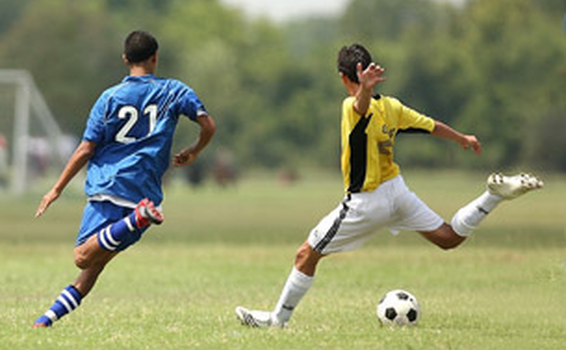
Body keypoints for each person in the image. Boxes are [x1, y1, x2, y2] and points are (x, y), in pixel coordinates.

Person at [235, 43, 543, 328]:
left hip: (366, 202)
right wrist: (462, 137)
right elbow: (429, 125)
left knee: (306, 255)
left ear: (344, 78)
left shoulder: (350, 106)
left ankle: (278, 320)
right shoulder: (392, 107)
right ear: (367, 71)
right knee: (448, 237)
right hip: (397, 191)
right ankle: (491, 196)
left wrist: (363, 91)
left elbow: (359, 107)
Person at [32, 30, 216, 328]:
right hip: (145, 191)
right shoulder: (174, 91)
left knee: (82, 257)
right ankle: (46, 320)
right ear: (155, 57)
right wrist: (194, 151)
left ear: (125, 59)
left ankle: (136, 219)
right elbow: (208, 125)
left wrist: (55, 189)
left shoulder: (109, 98)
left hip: (109, 186)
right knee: (94, 267)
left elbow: (86, 148)